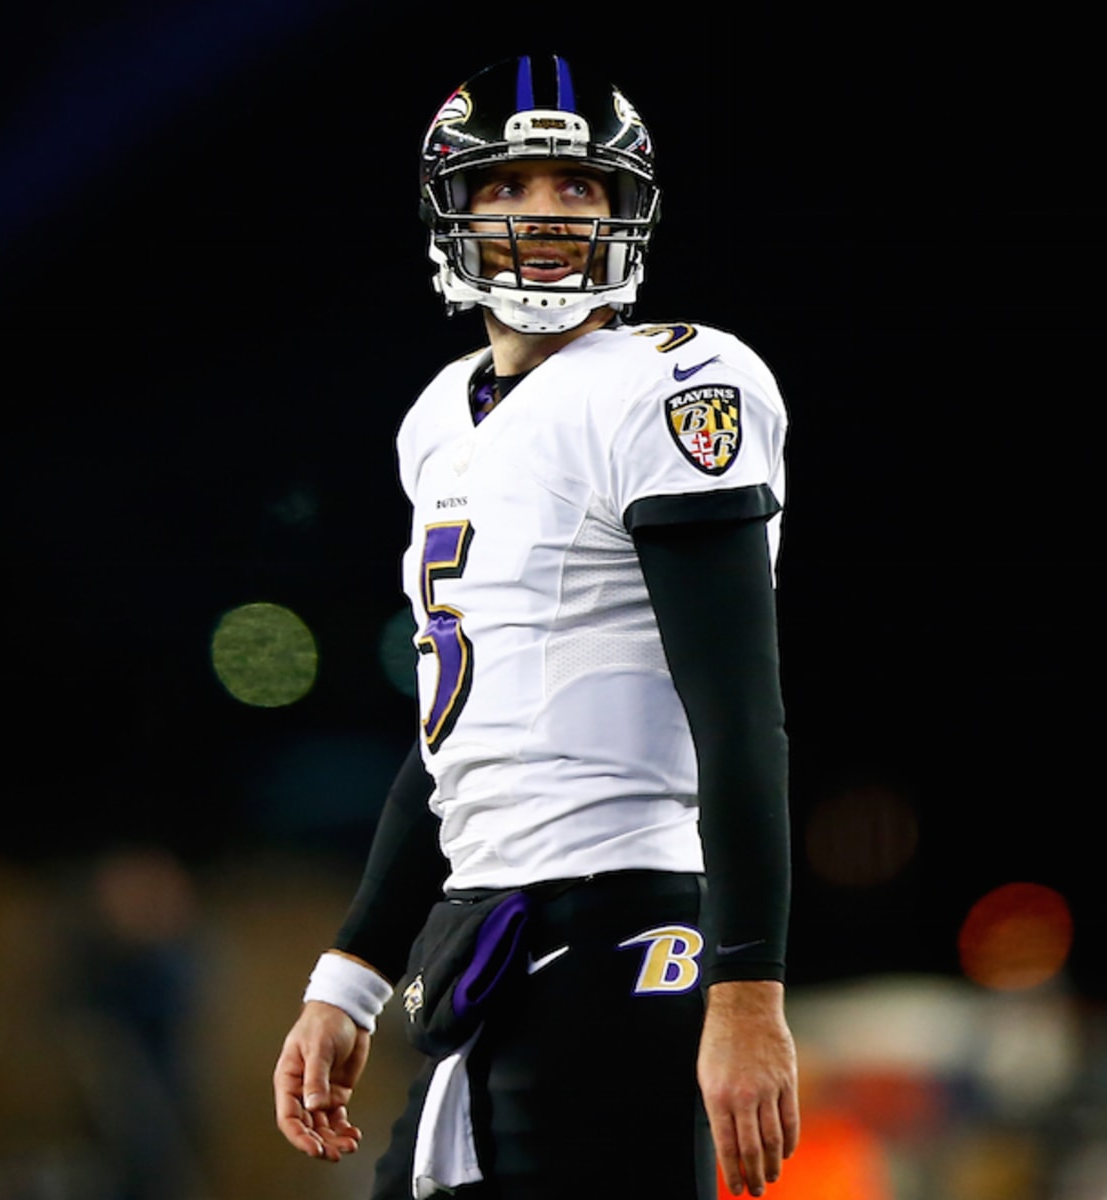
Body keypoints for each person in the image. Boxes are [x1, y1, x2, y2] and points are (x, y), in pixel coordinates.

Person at [274, 52, 799, 1199]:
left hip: (627, 914)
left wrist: (748, 988)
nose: (546, 216)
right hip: (485, 926)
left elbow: (741, 713)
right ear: (452, 212)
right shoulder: (438, 419)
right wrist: (350, 973)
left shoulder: (671, 382)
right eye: (507, 187)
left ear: (627, 212)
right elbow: (454, 736)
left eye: (578, 188)